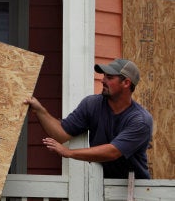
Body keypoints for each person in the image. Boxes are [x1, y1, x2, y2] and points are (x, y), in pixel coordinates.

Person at [24, 58, 153, 179]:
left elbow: (113, 152)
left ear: (126, 83)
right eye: (104, 76)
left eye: (109, 77)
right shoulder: (92, 105)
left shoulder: (140, 120)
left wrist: (69, 153)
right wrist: (39, 110)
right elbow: (61, 134)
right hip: (101, 187)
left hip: (135, 191)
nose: (103, 80)